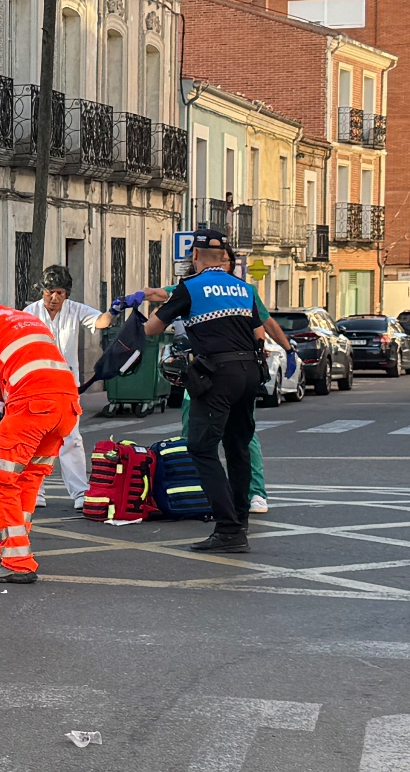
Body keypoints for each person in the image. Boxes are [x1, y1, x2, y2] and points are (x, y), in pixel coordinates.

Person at [145, 233, 267, 553]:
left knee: (200, 447)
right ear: (224, 257)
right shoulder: (243, 288)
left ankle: (227, 528)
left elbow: (154, 327)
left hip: (218, 375)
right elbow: (258, 332)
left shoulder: (191, 286)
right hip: (249, 372)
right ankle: (240, 522)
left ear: (196, 254)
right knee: (238, 447)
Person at [0, 286, 82, 584]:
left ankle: (16, 561)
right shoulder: (28, 319)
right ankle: (15, 550)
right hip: (66, 407)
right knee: (26, 479)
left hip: (31, 406)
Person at [22, 265, 120, 511]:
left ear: (67, 294)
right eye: (49, 292)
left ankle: (79, 492)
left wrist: (117, 309)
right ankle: (35, 492)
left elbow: (100, 321)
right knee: (36, 440)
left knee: (71, 439)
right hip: (37, 385)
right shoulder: (29, 313)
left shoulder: (75, 310)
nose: (54, 298)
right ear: (42, 291)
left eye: (60, 293)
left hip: (66, 387)